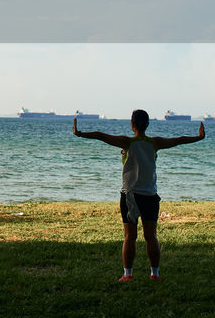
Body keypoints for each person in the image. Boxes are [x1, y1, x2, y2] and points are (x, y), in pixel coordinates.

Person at [73, 109, 205, 282]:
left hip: (130, 196)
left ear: (132, 124)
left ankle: (128, 275)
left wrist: (79, 133)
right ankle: (155, 274)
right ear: (147, 124)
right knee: (151, 236)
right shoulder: (154, 142)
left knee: (130, 236)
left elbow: (101, 135)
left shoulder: (126, 142)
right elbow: (179, 140)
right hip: (150, 195)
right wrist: (199, 137)